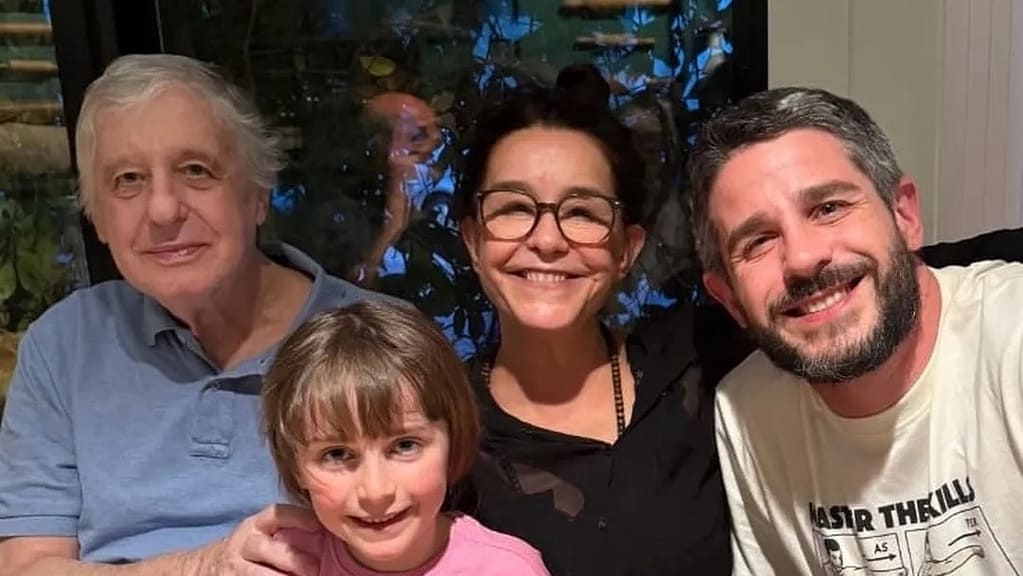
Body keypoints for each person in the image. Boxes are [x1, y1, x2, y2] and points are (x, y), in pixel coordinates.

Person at [0, 53, 391, 575]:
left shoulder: (384, 341)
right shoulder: (65, 345)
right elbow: (27, 567)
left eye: (195, 170)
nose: (163, 210)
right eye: (128, 179)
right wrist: (199, 567)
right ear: (99, 219)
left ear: (257, 196)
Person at [687, 86, 1023, 574]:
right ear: (729, 299)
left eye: (828, 208)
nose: (803, 259)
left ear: (904, 215)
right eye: (758, 241)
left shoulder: (1011, 334)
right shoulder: (748, 411)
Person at [453, 64, 732, 575]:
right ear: (473, 240)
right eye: (514, 208)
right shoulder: (441, 431)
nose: (547, 240)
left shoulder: (702, 362)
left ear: (627, 249)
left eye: (582, 212)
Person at [261, 301, 550, 575]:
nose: (376, 492)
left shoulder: (507, 569)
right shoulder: (281, 560)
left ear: (452, 443)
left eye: (404, 446)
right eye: (336, 454)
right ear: (295, 467)